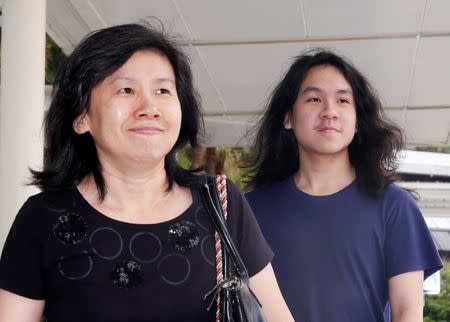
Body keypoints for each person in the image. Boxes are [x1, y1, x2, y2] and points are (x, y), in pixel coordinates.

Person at [0, 23, 293, 322]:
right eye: (126, 90)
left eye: (163, 90)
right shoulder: (43, 217)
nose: (149, 107)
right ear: (81, 117)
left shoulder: (220, 203)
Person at [244, 49, 443, 322]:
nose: (329, 111)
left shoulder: (395, 207)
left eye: (342, 100)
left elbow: (408, 311)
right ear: (287, 117)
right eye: (314, 99)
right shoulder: (251, 210)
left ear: (358, 120)